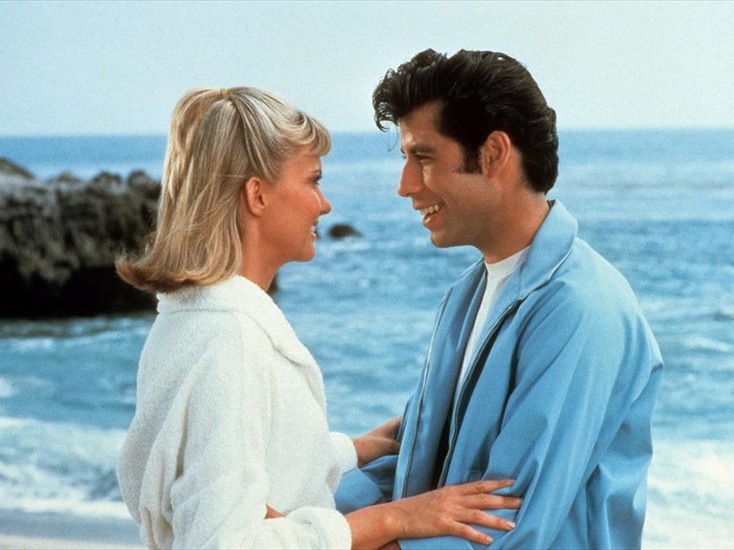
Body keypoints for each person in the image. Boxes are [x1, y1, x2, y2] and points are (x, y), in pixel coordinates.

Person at [115, 87, 521, 549]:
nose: (324, 204)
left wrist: (354, 449)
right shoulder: (230, 340)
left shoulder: (187, 320)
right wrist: (395, 519)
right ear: (257, 195)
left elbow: (231, 463)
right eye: (313, 181)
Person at [335, 50, 664, 548]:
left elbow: (505, 525)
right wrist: (293, 517)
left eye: (423, 158)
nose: (405, 186)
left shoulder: (579, 308)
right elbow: (413, 476)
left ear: (492, 154)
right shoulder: (466, 297)